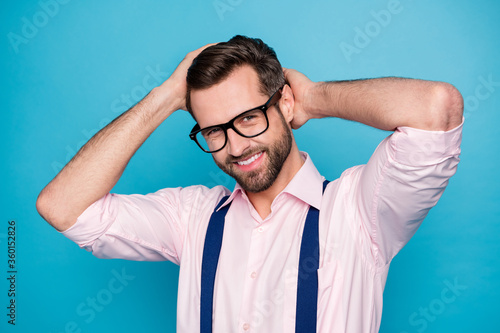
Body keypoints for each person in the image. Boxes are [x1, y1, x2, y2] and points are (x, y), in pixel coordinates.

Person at [36, 35, 464, 333]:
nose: (235, 146)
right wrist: (167, 95)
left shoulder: (359, 210)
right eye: (214, 130)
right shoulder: (193, 218)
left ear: (283, 104)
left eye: (248, 118)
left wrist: (312, 97)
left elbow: (436, 108)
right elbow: (62, 206)